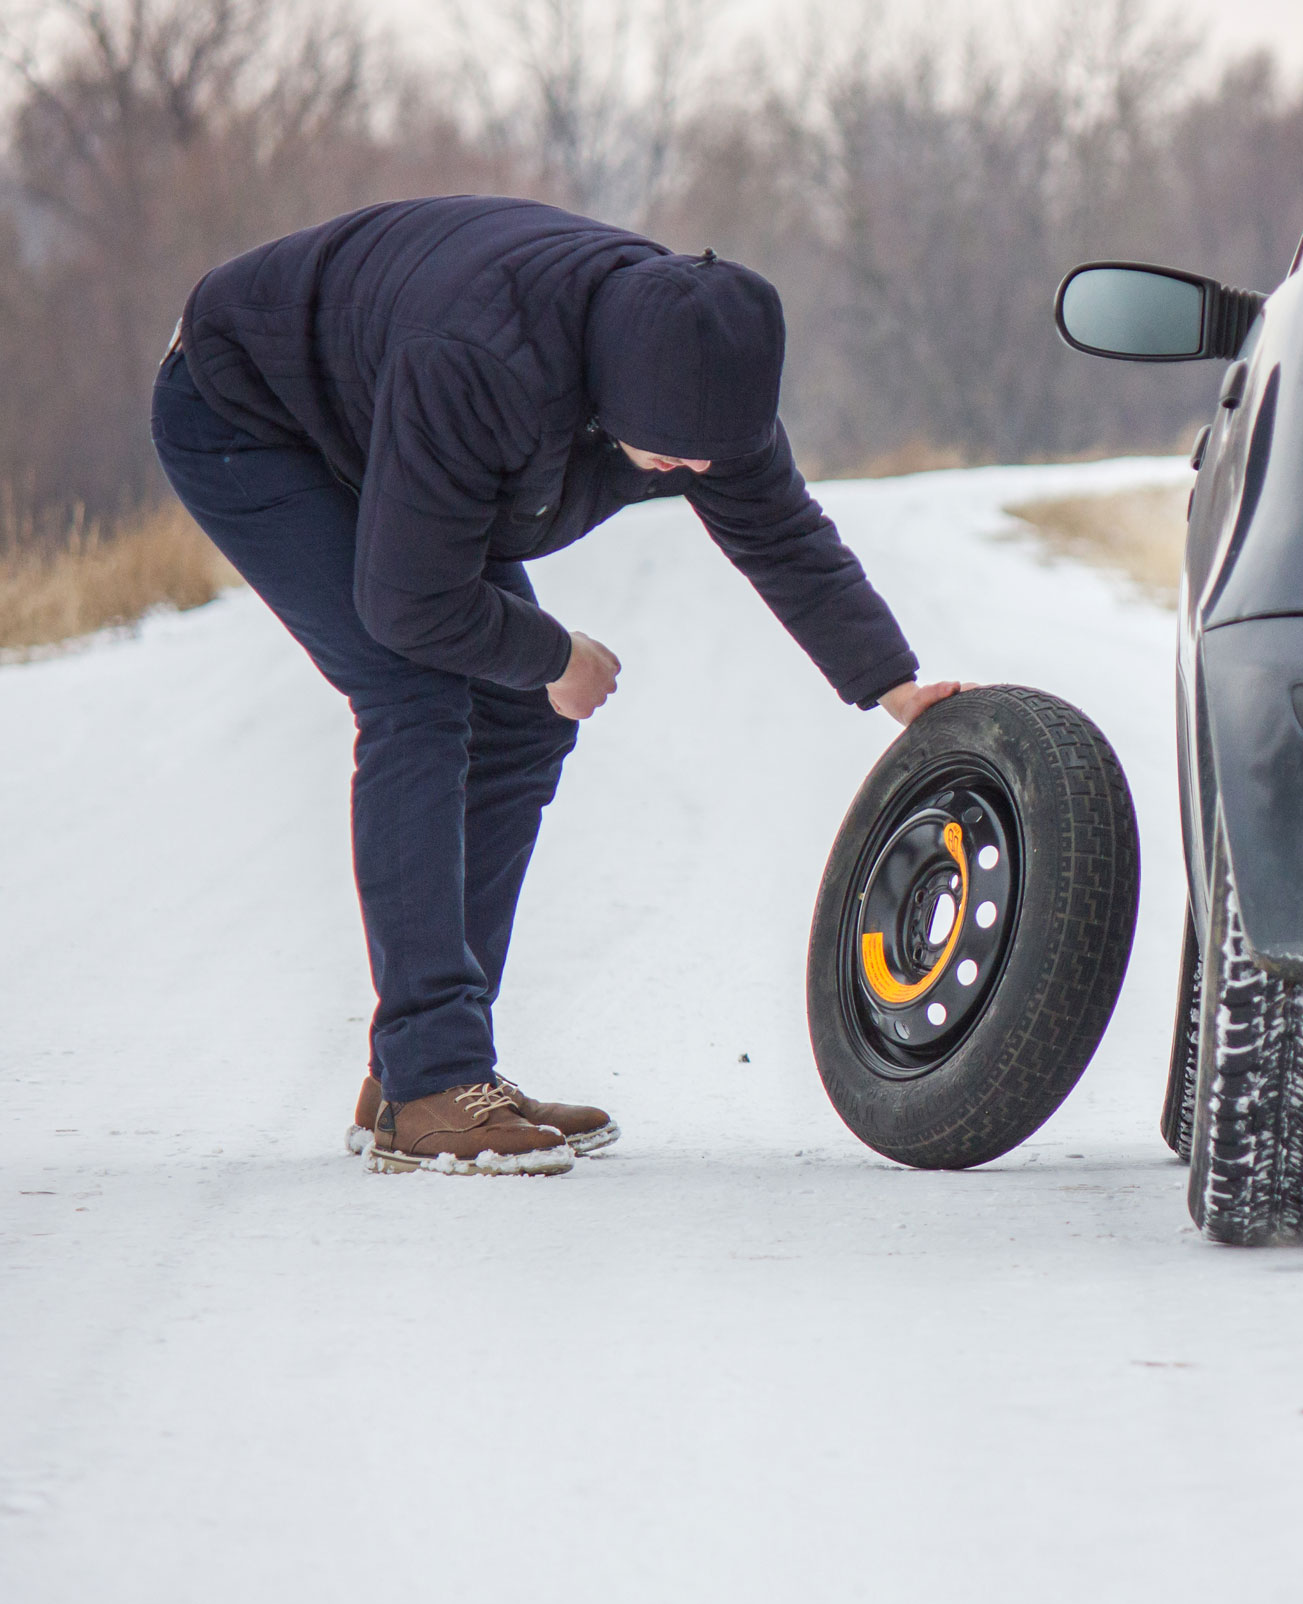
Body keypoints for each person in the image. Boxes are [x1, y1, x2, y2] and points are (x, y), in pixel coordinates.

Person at [151, 195, 960, 1177]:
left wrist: (896, 686)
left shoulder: (700, 367)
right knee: (414, 689)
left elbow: (783, 534)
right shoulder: (487, 361)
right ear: (615, 389)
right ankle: (436, 1080)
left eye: (709, 451)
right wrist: (554, 655)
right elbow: (410, 603)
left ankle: (427, 1071)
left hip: (380, 413)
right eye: (673, 449)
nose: (692, 468)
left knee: (519, 723)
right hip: (247, 407)